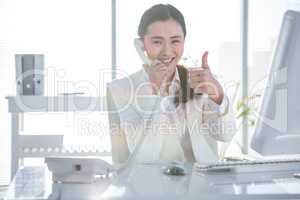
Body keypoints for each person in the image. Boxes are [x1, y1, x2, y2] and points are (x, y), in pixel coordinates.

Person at [107, 4, 236, 165]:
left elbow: (225, 134)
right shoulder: (121, 89)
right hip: (150, 187)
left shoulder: (199, 81)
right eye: (157, 42)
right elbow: (143, 156)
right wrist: (155, 92)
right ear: (142, 45)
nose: (167, 51)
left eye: (175, 41)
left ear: (184, 42)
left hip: (201, 184)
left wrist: (218, 95)